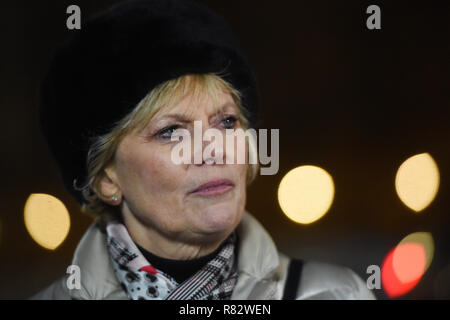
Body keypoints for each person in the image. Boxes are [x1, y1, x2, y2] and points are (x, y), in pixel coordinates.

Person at [33, 0, 375, 300]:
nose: (214, 150)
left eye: (226, 122)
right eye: (171, 132)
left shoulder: (340, 294)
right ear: (106, 178)